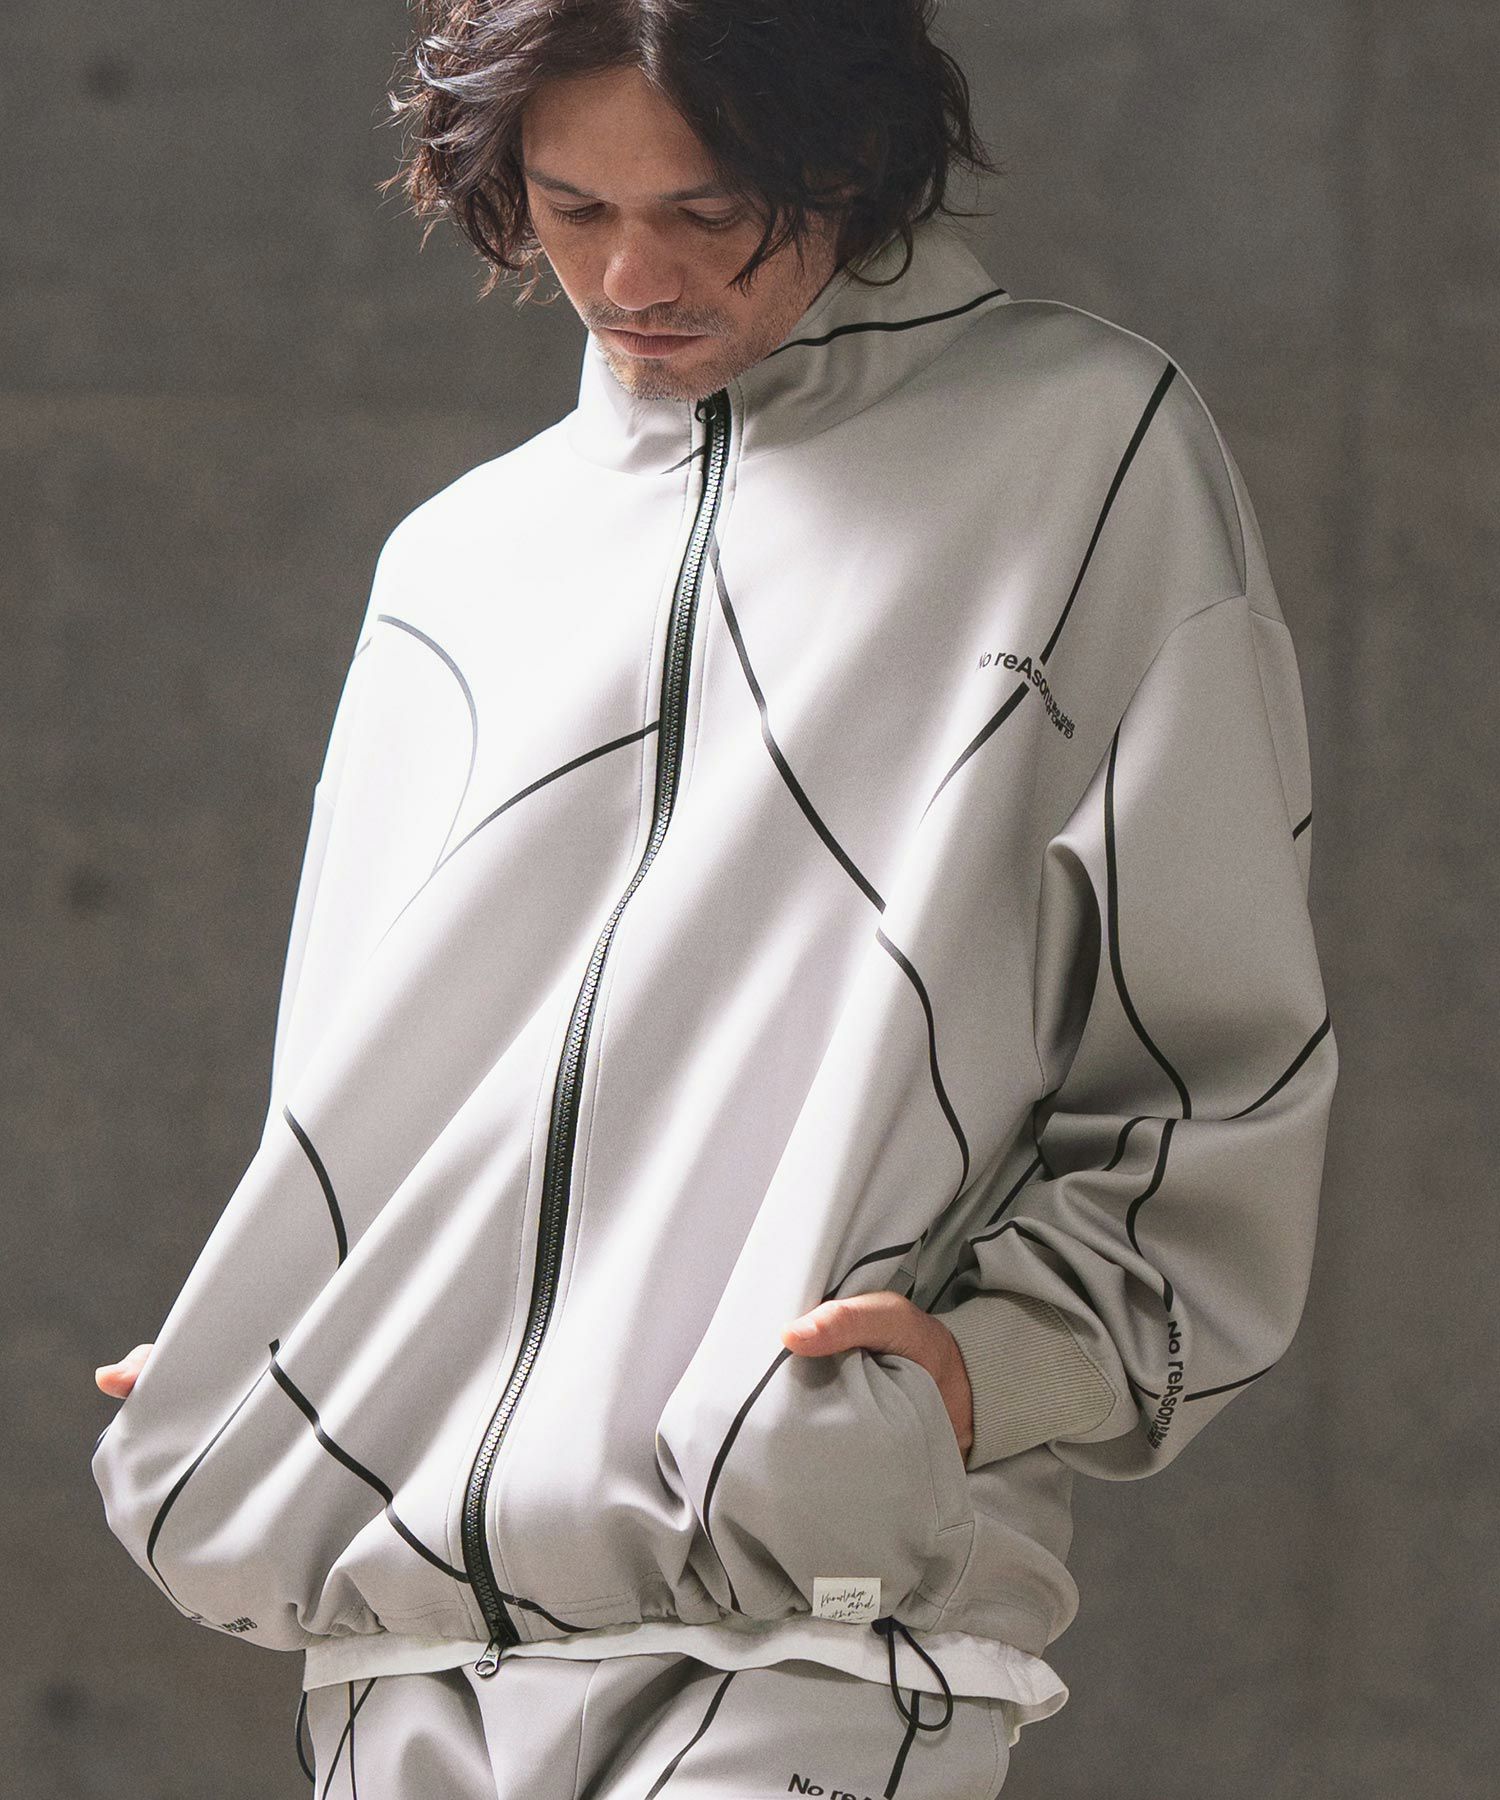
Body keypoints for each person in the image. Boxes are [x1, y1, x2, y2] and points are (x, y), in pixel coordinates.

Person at [90, 3, 1339, 1794]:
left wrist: (979, 1376)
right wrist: (292, 1329)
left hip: (810, 1620)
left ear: (850, 161)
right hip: (396, 1637)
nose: (632, 277)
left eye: (708, 212)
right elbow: (363, 1084)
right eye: (574, 207)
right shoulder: (457, 563)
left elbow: (1216, 1057)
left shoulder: (1081, 457)